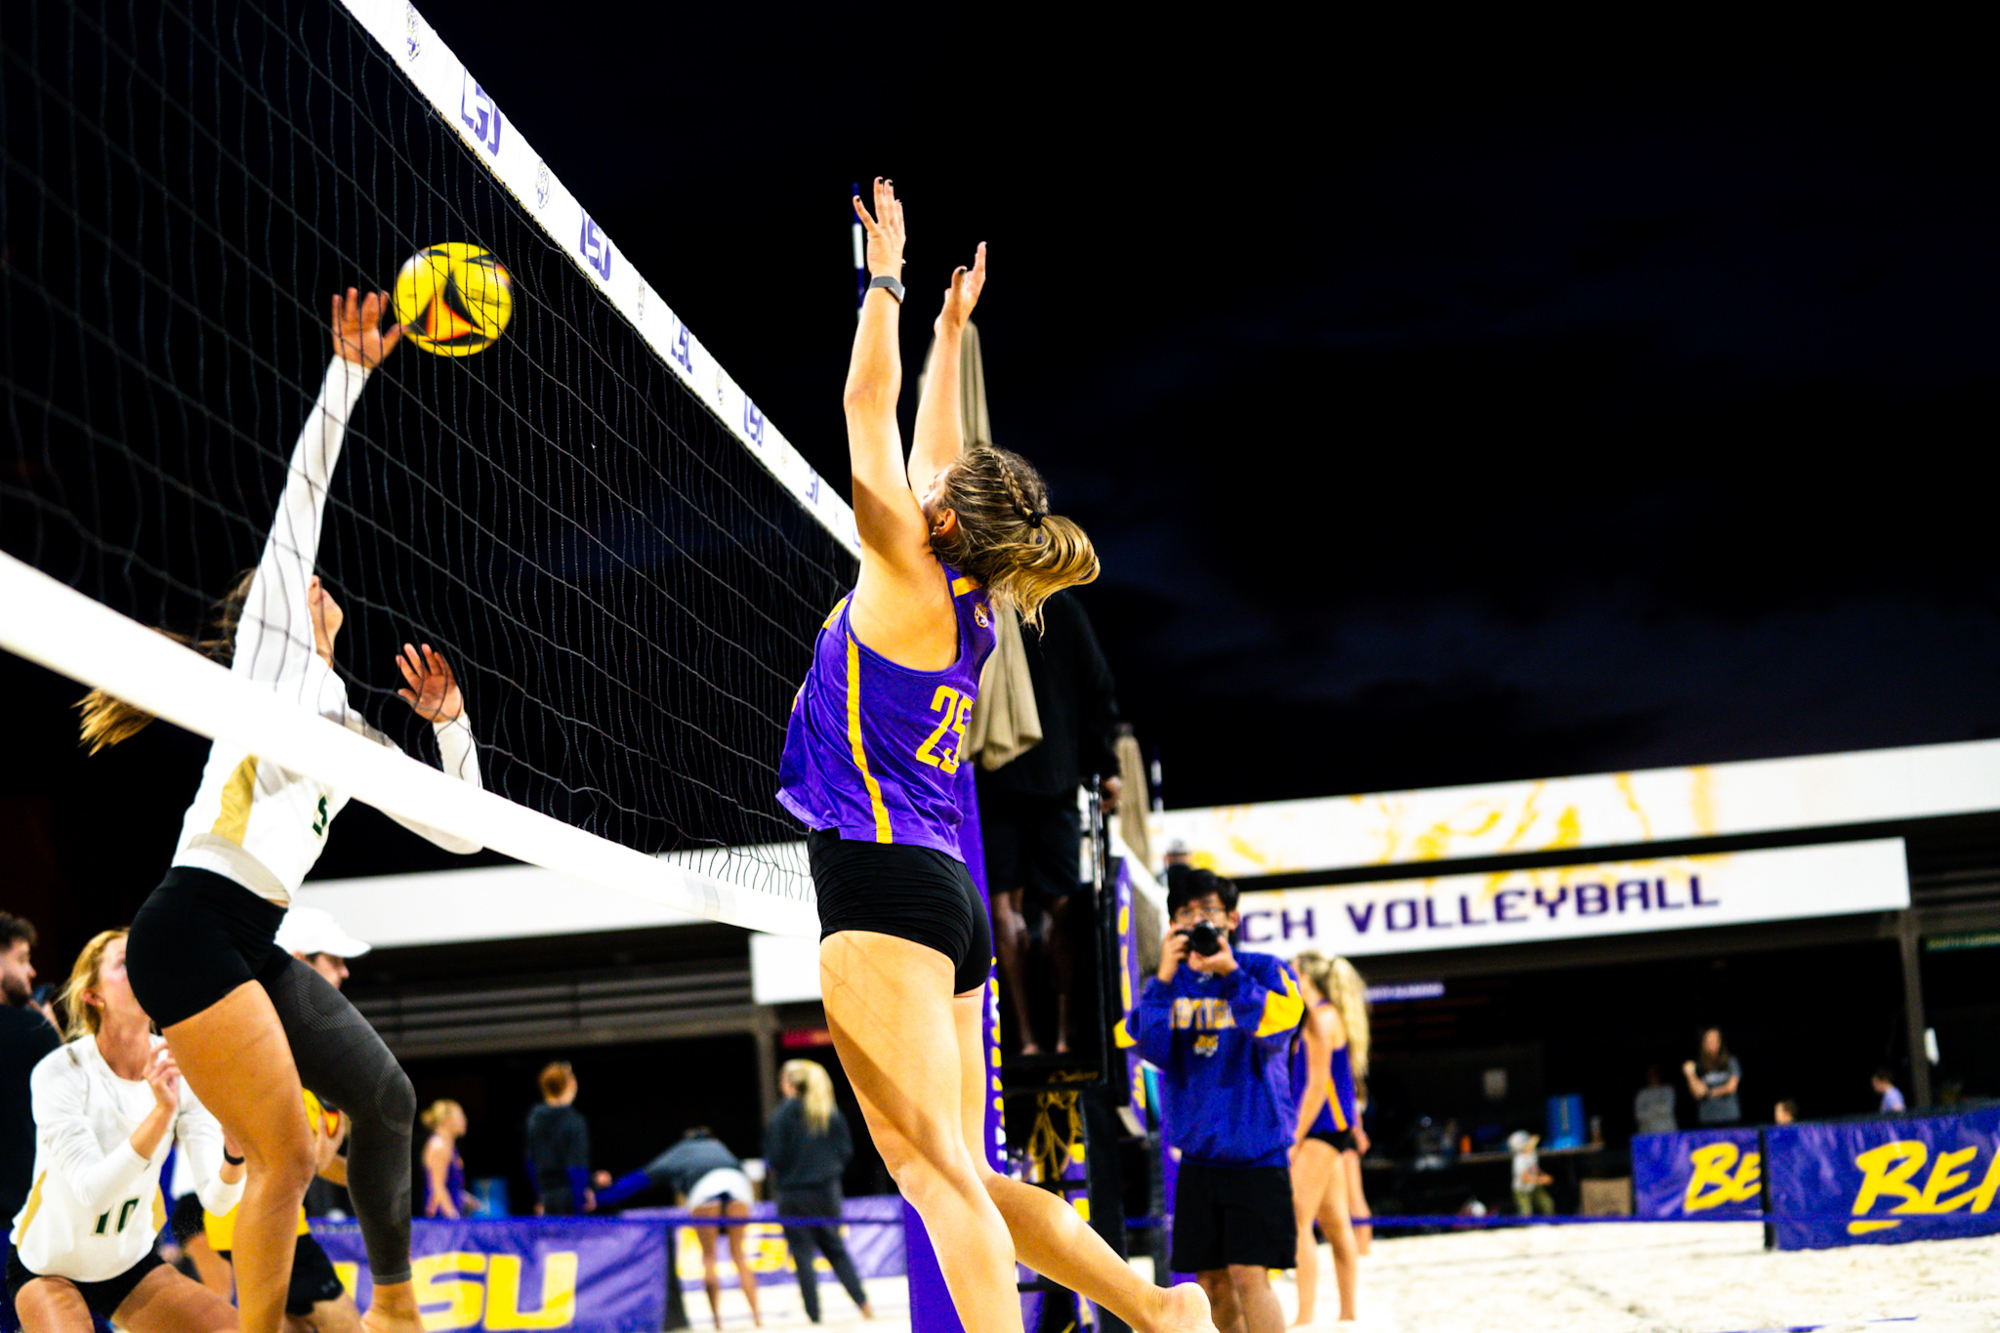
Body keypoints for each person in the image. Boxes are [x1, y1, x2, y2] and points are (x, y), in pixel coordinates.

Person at [777, 180, 1209, 1333]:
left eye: (934, 490)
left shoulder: (905, 564)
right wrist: (948, 339)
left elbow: (862, 411)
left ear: (944, 518)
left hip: (877, 881)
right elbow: (931, 443)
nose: (919, 485)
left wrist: (882, 283)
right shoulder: (966, 591)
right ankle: (1154, 1308)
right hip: (937, 895)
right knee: (965, 1174)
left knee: (935, 1181)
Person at [82, 289, 486, 1333]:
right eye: (287, 582)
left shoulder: (350, 731)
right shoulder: (270, 668)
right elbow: (298, 505)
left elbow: (462, 829)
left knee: (387, 1098)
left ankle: (392, 1304)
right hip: (189, 924)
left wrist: (448, 724)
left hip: (248, 937)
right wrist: (347, 376)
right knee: (289, 1153)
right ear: (278, 602)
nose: (302, 580)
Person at [7, 930, 243, 1333]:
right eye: (124, 962)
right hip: (48, 1267)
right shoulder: (60, 1071)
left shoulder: (182, 1069)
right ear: (93, 995)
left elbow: (217, 1203)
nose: (144, 967)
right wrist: (161, 1113)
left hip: (129, 1265)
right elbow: (92, 1191)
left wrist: (235, 1154)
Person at [1122, 867, 1304, 1333]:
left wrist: (1231, 973)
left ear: (1232, 919)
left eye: (1208, 911)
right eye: (1185, 913)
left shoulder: (1265, 968)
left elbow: (1277, 1029)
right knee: (1212, 1283)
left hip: (1257, 1154)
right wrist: (1163, 978)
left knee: (1250, 1275)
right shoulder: (1166, 984)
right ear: (1172, 925)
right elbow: (1148, 1047)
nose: (1197, 920)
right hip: (1199, 1158)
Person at [978, 590, 1121, 1055]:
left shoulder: (973, 597)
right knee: (1061, 903)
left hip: (987, 773)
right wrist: (1106, 763)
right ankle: (1064, 1034)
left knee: (1004, 906)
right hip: (1054, 773)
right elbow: (1096, 684)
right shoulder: (1059, 605)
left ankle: (1024, 1039)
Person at [202, 1094, 356, 1333]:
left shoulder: (282, 1085)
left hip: (228, 1225)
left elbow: (312, 1161)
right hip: (271, 1225)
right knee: (347, 1325)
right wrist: (374, 1184)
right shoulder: (291, 1088)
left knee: (282, 1324)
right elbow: (299, 1163)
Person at [765, 1060, 872, 1323]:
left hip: (793, 1195)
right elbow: (846, 1151)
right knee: (836, 1249)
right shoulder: (828, 1111)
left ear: (789, 1083)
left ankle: (814, 1317)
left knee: (802, 1257)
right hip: (827, 1193)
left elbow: (775, 1158)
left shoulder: (781, 1115)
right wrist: (828, 1171)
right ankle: (864, 1305)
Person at [1285, 953, 1358, 1325]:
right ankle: (1348, 1312)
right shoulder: (1332, 1015)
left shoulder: (1318, 1018)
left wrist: (1294, 1138)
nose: (1287, 975)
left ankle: (1304, 1314)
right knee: (1334, 1221)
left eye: (1292, 970)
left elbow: (1316, 1087)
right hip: (1334, 1129)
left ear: (1306, 977)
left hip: (1320, 1129)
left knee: (1298, 1218)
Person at [632, 1129, 761, 1331]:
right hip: (738, 1186)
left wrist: (604, 1196)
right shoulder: (720, 1146)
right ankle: (757, 1318)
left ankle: (717, 1321)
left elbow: (647, 1174)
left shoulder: (684, 1150)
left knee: (709, 1256)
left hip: (704, 1189)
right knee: (739, 1254)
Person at [3, 913, 62, 1237]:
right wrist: (50, 1028)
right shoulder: (32, 1031)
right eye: (22, 959)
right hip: (16, 1222)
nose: (31, 971)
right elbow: (82, 1088)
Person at [1327, 959, 1374, 1256]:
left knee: (1351, 1193)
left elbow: (1341, 1083)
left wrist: (1356, 1128)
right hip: (1346, 1113)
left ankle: (1362, 1247)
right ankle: (1362, 1247)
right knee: (1351, 1193)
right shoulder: (1352, 1021)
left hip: (1338, 1118)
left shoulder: (1330, 1022)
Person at [524, 1063, 595, 1215]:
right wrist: (580, 1202)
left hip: (546, 1196)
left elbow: (530, 1162)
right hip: (569, 1199)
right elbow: (577, 1168)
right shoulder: (573, 1120)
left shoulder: (534, 1119)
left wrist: (541, 1198)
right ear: (570, 1084)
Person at [419, 1103, 473, 1220]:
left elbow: (449, 1186)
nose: (464, 1120)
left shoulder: (449, 1146)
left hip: (447, 1216)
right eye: (460, 1116)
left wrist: (463, 1198)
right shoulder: (439, 1145)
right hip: (441, 1219)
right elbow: (437, 1187)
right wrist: (453, 1218)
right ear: (446, 1120)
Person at [1682, 1029, 1742, 1126]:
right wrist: (1690, 1075)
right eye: (1709, 1040)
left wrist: (1708, 1092)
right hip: (1707, 1119)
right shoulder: (1698, 1065)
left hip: (1730, 1117)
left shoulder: (1731, 1061)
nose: (1713, 1043)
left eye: (1716, 1039)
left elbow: (1731, 1088)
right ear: (1703, 1043)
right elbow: (1698, 1094)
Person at [1507, 1131, 1554, 1216]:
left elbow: (1535, 1168)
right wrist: (1541, 1180)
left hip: (1534, 1186)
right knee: (1526, 1212)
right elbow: (1525, 1178)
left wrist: (1543, 1175)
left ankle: (1550, 1224)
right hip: (1522, 1189)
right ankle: (1526, 1227)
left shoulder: (1532, 1154)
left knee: (1547, 1204)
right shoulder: (1519, 1159)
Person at [1634, 1065, 1677, 1137]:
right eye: (1650, 1074)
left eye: (1655, 1073)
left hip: (1667, 1131)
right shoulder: (1641, 1094)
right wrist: (1658, 1109)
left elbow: (1668, 1109)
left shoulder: (1668, 1090)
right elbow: (1639, 1115)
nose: (1653, 1076)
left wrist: (1648, 1110)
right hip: (1647, 1133)